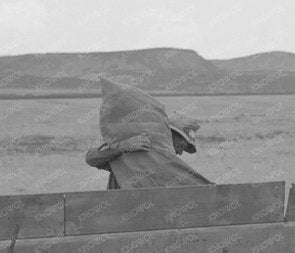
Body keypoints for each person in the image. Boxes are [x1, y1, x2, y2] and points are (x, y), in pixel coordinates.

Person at [85, 77, 213, 189]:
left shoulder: (170, 166)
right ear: (169, 133)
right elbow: (91, 158)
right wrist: (122, 147)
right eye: (181, 146)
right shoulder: (134, 147)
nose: (179, 153)